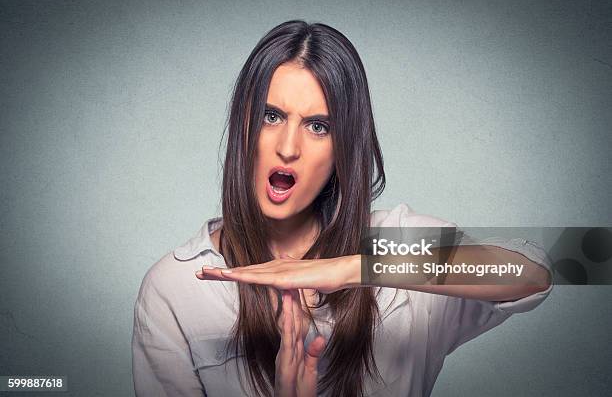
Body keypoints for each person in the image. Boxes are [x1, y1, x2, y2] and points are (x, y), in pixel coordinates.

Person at [131, 20, 553, 397]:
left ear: (343, 148)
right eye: (271, 116)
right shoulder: (176, 289)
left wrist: (357, 268)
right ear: (242, 124)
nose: (288, 147)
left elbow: (543, 271)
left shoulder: (396, 248)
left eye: (319, 126)